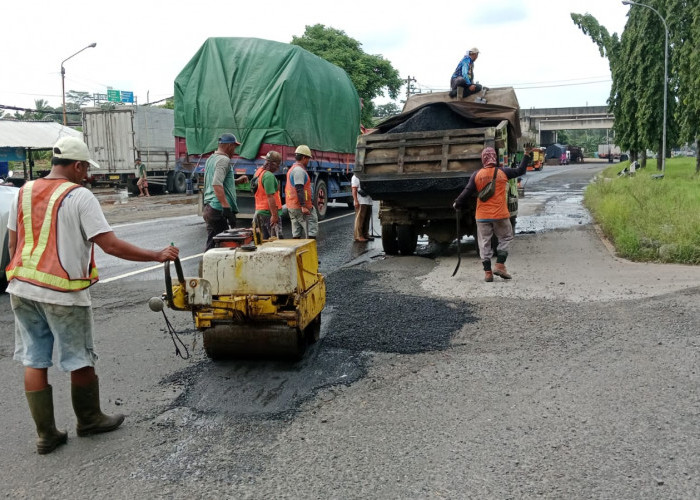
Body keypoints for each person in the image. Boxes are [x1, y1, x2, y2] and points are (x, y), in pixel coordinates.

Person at [5, 136, 179, 455]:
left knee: (34, 359)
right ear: (78, 165)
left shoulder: (23, 192)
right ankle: (89, 420)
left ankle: (46, 435)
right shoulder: (80, 196)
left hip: (22, 288)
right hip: (63, 292)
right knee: (79, 357)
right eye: (85, 169)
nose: (86, 175)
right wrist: (156, 255)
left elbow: (13, 245)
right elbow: (110, 245)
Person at [453, 146, 530, 282]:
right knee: (505, 238)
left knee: (484, 243)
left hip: (482, 216)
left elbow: (466, 193)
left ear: (483, 159)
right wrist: (526, 154)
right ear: (495, 158)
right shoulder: (503, 172)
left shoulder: (477, 175)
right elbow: (521, 170)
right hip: (500, 214)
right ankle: (500, 264)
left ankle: (488, 273)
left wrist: (457, 204)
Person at [202, 133, 249, 251]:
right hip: (218, 209)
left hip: (209, 208)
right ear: (228, 146)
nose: (235, 150)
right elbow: (216, 184)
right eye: (234, 147)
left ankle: (206, 268)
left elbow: (218, 181)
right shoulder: (224, 160)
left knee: (212, 244)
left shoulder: (211, 159)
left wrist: (236, 181)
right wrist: (226, 207)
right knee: (227, 245)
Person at [285, 145, 318, 239]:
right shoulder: (299, 171)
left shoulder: (292, 169)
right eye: (308, 158)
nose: (308, 161)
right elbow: (299, 188)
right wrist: (303, 206)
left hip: (292, 205)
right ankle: (310, 250)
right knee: (311, 227)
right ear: (303, 157)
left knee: (296, 231)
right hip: (301, 207)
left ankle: (297, 252)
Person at [252, 150, 283, 239]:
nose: (278, 167)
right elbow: (270, 196)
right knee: (276, 242)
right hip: (268, 213)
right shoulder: (268, 176)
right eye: (278, 165)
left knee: (263, 242)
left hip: (259, 212)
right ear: (274, 164)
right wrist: (274, 215)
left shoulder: (258, 172)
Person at [351, 174, 373, 242]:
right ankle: (358, 236)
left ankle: (365, 234)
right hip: (361, 201)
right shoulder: (356, 176)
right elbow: (354, 189)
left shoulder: (367, 176)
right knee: (360, 220)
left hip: (368, 201)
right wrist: (356, 201)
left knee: (366, 219)